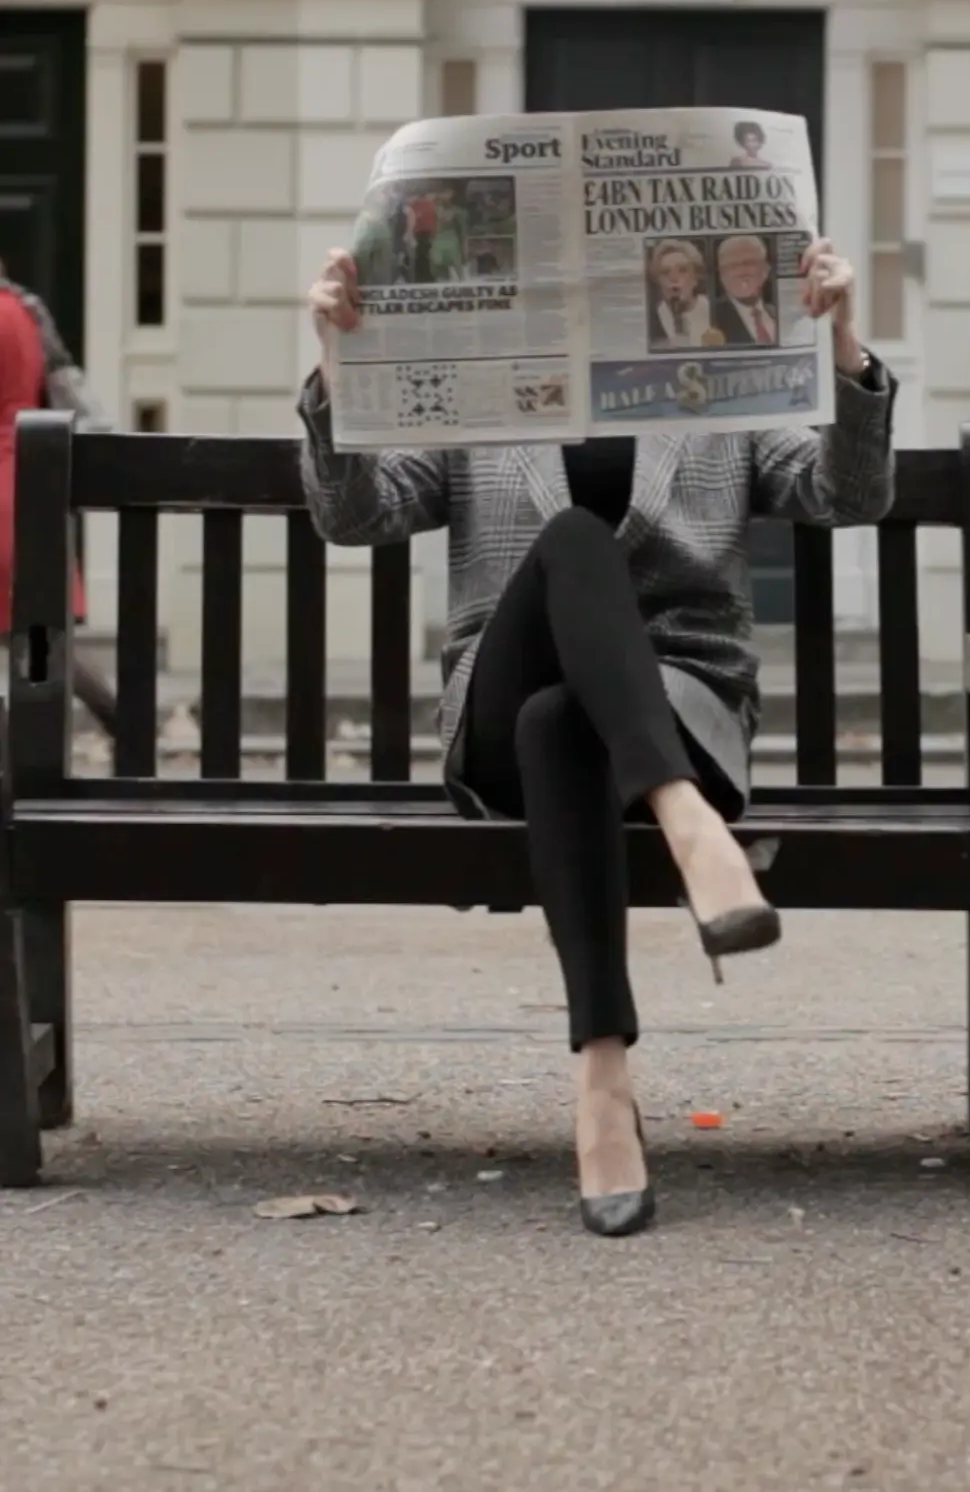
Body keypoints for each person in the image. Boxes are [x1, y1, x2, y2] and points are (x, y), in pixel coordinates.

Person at [300, 236, 895, 1239]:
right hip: (505, 696)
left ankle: (603, 1084)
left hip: (675, 695)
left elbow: (849, 494)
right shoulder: (485, 379)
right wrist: (334, 360)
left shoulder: (720, 379)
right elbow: (357, 515)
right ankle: (690, 823)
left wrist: (840, 340)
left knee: (561, 723)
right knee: (570, 547)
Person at [0, 271, 116, 737]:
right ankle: (128, 727)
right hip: (27, 479)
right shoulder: (26, 311)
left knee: (31, 638)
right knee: (43, 636)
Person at [710, 235, 778, 346]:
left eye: (749, 263)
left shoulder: (779, 314)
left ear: (766, 269)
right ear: (721, 274)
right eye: (733, 265)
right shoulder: (710, 318)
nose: (741, 271)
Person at [645, 240, 714, 349]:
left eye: (682, 270)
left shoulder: (716, 311)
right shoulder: (649, 319)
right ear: (658, 281)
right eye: (665, 272)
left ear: (696, 277)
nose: (673, 279)